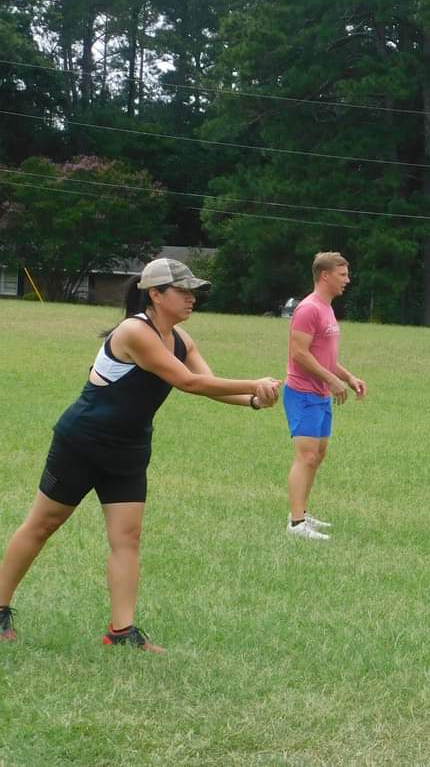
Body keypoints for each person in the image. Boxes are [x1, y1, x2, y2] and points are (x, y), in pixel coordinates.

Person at [0, 259, 281, 652]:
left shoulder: (182, 339)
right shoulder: (135, 331)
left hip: (129, 449)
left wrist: (253, 401)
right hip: (82, 442)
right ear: (155, 294)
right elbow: (189, 382)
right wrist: (254, 382)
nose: (191, 298)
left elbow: (211, 384)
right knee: (43, 524)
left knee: (127, 537)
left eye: (193, 290)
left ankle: (121, 632)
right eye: (183, 291)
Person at [284, 252, 367, 541]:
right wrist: (331, 380)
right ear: (325, 275)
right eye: (342, 274)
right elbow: (299, 353)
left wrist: (347, 377)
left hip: (320, 393)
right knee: (305, 456)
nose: (348, 280)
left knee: (318, 455)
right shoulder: (309, 309)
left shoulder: (327, 309)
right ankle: (295, 524)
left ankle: (302, 512)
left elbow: (325, 355)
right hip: (302, 392)